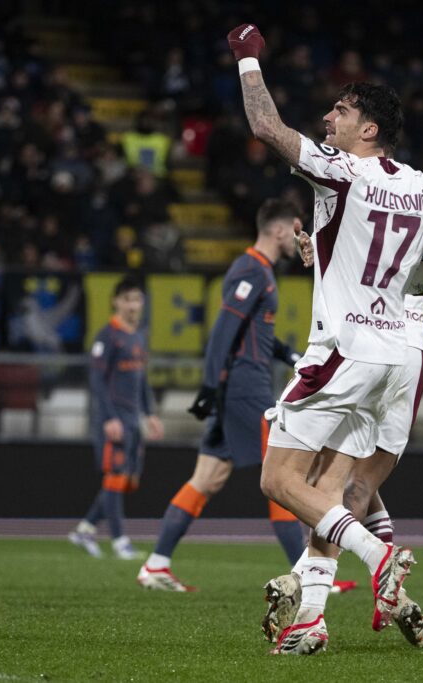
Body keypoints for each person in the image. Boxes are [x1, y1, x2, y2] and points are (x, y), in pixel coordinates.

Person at [226, 23, 423, 654]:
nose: (327, 117)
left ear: (368, 129)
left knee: (282, 482)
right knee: (344, 488)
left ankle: (378, 558)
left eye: (340, 110)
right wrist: (420, 293)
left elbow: (266, 128)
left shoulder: (344, 172)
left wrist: (248, 62)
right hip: (404, 357)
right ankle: (313, 617)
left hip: (346, 349)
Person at [136, 198, 308, 591]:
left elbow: (252, 331)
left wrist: (286, 353)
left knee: (207, 478)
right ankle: (308, 575)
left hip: (237, 387)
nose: (298, 239)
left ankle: (157, 564)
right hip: (245, 390)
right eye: (295, 230)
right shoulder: (251, 269)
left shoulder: (260, 271)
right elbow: (222, 332)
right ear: (279, 230)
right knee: (281, 473)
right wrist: (210, 387)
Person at [68, 276, 164, 560]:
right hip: (113, 420)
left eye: (137, 300)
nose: (133, 306)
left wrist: (150, 413)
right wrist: (109, 418)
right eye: (128, 300)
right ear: (116, 302)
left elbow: (141, 379)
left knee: (126, 480)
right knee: (115, 476)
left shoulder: (137, 335)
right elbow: (97, 380)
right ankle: (120, 541)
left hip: (134, 420)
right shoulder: (106, 336)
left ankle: (85, 529)